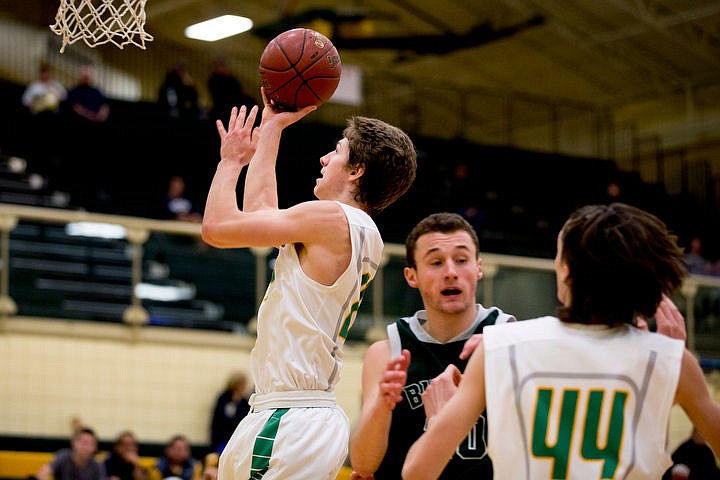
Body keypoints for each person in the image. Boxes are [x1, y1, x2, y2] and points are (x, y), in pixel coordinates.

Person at [403, 202, 720, 479]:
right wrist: (665, 366)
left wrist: (437, 420)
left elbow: (417, 472)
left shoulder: (498, 345)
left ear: (566, 272)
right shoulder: (671, 360)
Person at [202, 87, 417, 479]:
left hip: (291, 416)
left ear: (356, 171)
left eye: (336, 151)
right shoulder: (353, 228)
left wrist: (231, 161)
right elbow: (260, 216)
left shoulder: (333, 219)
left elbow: (218, 228)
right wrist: (270, 129)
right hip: (292, 413)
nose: (324, 158)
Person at [349, 212, 516, 479]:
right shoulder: (387, 350)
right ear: (411, 276)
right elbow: (363, 464)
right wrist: (381, 406)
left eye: (462, 260)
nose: (451, 272)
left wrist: (503, 347)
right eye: (436, 262)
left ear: (479, 267)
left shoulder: (508, 334)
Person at [36, 427, 107, 480]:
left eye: (91, 444)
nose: (86, 448)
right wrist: (44, 475)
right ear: (73, 442)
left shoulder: (97, 465)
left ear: (95, 448)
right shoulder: (63, 456)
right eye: (83, 443)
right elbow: (45, 471)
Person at [210, 371, 251, 454]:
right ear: (236, 384)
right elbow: (219, 420)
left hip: (238, 440)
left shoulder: (244, 402)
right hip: (222, 439)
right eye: (243, 385)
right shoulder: (223, 398)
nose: (245, 388)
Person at [207, 57, 255, 123]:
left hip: (235, 104)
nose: (224, 68)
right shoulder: (214, 81)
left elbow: (238, 91)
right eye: (221, 66)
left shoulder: (231, 79)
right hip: (224, 108)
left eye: (224, 65)